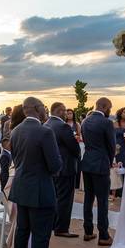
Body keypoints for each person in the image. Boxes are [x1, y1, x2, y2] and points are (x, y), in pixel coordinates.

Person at [9, 96, 63, 248]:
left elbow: (17, 159)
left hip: (22, 188)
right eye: (43, 107)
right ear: (35, 108)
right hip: (40, 190)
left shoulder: (15, 131)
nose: (45, 110)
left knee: (22, 233)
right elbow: (55, 166)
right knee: (41, 235)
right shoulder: (44, 132)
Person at [80, 97, 116, 245]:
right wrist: (109, 160)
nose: (110, 110)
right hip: (100, 164)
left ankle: (88, 232)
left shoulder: (85, 121)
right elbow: (111, 146)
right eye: (110, 107)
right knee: (102, 201)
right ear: (105, 106)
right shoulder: (106, 122)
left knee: (88, 198)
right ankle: (103, 235)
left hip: (87, 162)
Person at [46, 102, 81, 238]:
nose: (66, 113)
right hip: (66, 167)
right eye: (65, 111)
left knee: (55, 197)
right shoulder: (63, 126)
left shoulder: (47, 124)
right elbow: (74, 147)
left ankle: (54, 224)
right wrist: (78, 153)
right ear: (60, 111)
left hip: (52, 167)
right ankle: (62, 228)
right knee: (65, 199)